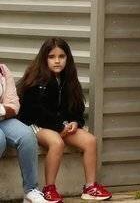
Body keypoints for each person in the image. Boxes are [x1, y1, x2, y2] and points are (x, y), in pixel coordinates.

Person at [18, 38, 111, 202]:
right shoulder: (36, 80)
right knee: (57, 142)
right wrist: (59, 126)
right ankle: (49, 189)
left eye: (61, 56)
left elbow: (77, 107)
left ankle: (90, 187)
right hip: (36, 124)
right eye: (52, 56)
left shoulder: (69, 79)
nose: (57, 61)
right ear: (44, 58)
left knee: (90, 141)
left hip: (60, 125)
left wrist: (75, 122)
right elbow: (35, 111)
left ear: (68, 58)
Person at [2, 62, 49, 203]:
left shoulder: (3, 70)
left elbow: (14, 105)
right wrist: (4, 108)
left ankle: (30, 191)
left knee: (27, 135)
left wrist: (4, 110)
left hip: (4, 119)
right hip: (3, 115)